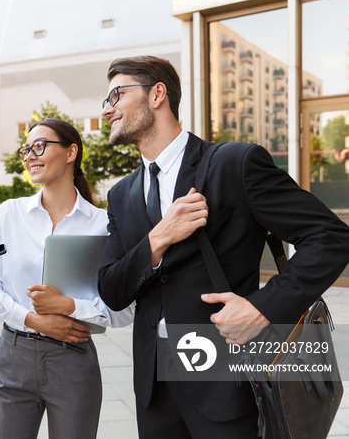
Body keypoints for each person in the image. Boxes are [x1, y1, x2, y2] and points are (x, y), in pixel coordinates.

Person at [97, 55, 349, 438]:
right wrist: (158, 237)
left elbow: (330, 238)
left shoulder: (234, 163)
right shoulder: (121, 195)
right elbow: (112, 290)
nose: (107, 109)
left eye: (117, 94)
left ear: (157, 95)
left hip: (225, 379)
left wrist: (262, 308)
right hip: (154, 387)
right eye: (106, 100)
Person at [0, 118, 134, 439]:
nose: (30, 156)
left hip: (73, 363)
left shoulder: (103, 225)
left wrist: (69, 306)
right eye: (26, 150)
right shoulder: (9, 214)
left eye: (40, 146)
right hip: (13, 357)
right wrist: (35, 320)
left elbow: (124, 310)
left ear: (70, 152)